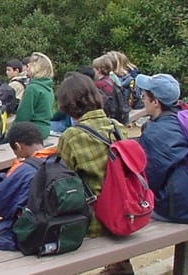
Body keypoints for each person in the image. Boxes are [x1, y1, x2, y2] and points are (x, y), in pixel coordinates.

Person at [55, 72, 130, 275]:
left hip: (93, 221)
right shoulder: (116, 127)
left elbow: (61, 183)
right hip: (123, 210)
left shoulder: (72, 136)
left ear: (66, 104)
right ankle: (121, 265)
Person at [135, 73, 188, 224]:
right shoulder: (187, 118)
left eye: (144, 96)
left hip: (181, 209)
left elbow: (149, 178)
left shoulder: (157, 131)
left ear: (155, 102)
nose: (142, 99)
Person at [0, 122, 57, 251]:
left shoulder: (24, 169)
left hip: (29, 235)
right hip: (57, 231)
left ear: (18, 146)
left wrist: (6, 177)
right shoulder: (59, 160)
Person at [13, 52, 55, 140]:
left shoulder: (32, 89)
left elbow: (23, 116)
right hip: (44, 130)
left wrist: (12, 133)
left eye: (30, 64)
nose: (27, 66)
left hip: (31, 133)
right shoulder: (49, 88)